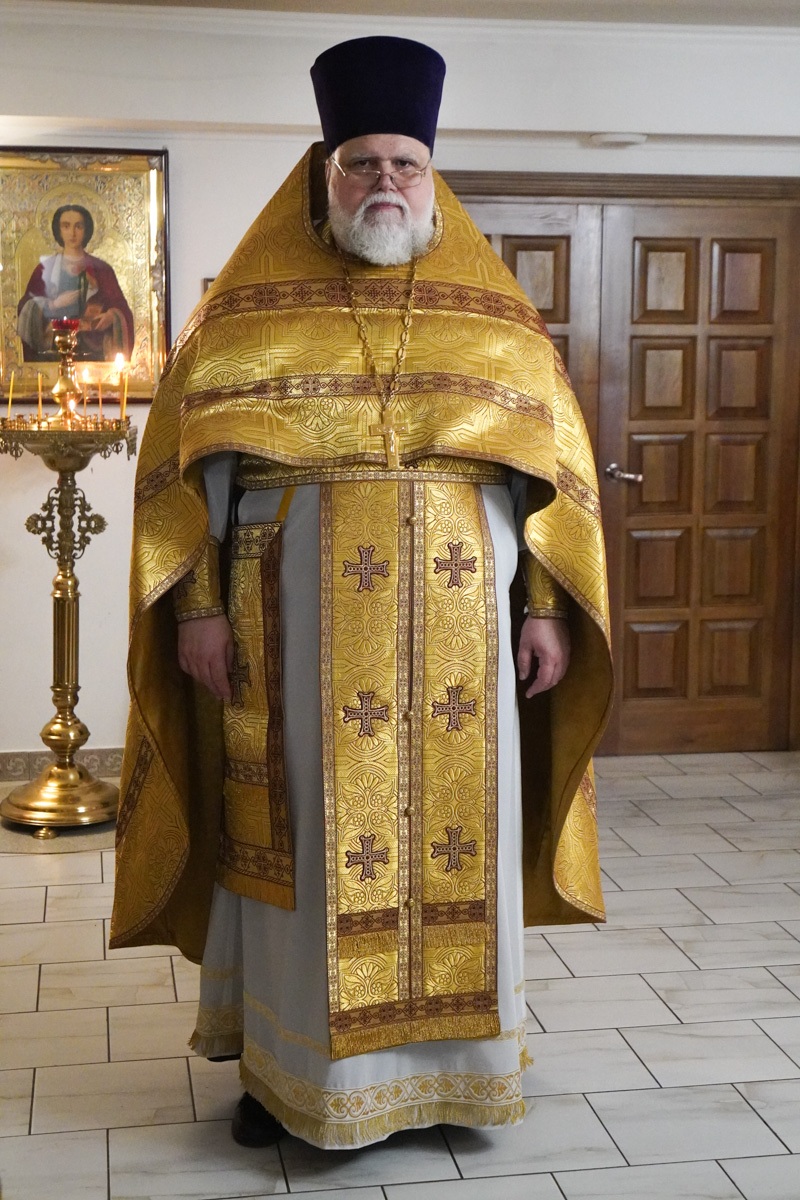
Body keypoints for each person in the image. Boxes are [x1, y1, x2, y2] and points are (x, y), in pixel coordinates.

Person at [110, 35, 612, 1150]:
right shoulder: (243, 310)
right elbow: (188, 473)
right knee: (299, 847)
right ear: (323, 173)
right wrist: (196, 611)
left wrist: (542, 608)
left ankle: (453, 1082)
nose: (384, 181)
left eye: (404, 163)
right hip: (289, 631)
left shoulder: (494, 316)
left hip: (462, 635)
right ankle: (286, 1079)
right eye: (362, 163)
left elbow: (547, 475)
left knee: (459, 842)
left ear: (430, 177)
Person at [17, 203, 134, 361]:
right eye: (66, 226)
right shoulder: (45, 269)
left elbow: (122, 309)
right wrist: (53, 305)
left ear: (86, 230)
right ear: (58, 230)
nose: (72, 233)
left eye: (78, 226)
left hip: (93, 352)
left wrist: (112, 316)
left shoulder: (102, 270)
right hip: (53, 350)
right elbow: (25, 307)